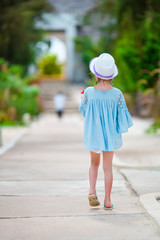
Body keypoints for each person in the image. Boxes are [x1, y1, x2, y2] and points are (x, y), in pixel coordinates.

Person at [79, 53, 133, 210]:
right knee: (108, 168)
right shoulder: (117, 94)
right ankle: (107, 201)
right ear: (112, 75)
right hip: (110, 136)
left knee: (94, 163)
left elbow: (83, 110)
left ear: (96, 73)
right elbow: (122, 115)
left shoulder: (89, 92)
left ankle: (92, 191)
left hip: (94, 135)